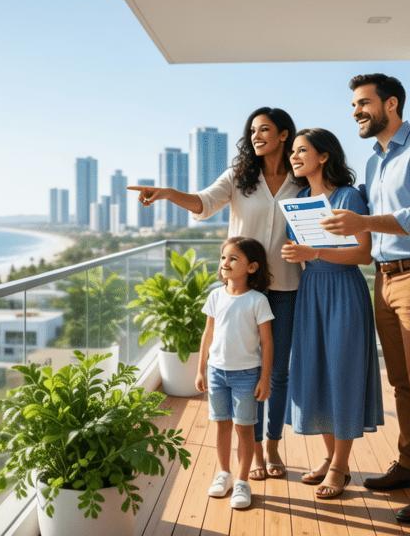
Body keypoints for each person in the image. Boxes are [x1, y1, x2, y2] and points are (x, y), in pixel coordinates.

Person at [129, 107, 300, 480]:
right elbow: (203, 204)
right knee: (248, 369)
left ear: (285, 135)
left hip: (286, 286)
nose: (256, 136)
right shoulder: (240, 177)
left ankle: (272, 445)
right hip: (243, 291)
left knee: (278, 373)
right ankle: (253, 451)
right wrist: (166, 193)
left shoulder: (300, 180)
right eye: (252, 130)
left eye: (265, 129)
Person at [320, 73, 410, 523]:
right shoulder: (375, 161)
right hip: (384, 277)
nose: (356, 111)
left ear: (391, 104)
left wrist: (365, 225)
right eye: (354, 105)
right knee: (400, 382)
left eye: (363, 103)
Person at [280, 128, 384, 499]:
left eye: (302, 150)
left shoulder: (348, 197)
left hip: (343, 291)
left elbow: (363, 254)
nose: (294, 156)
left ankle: (341, 465)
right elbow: (305, 250)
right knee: (317, 374)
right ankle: (330, 457)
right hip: (311, 293)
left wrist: (315, 254)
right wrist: (296, 254)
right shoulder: (300, 199)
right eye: (292, 151)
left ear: (324, 156)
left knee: (342, 373)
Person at [195, 236, 275, 510]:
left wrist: (265, 378)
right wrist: (201, 369)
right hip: (217, 373)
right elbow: (208, 334)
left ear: (251, 268)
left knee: (244, 429)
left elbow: (267, 343)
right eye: (223, 257)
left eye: (233, 258)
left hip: (246, 376)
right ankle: (224, 474)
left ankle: (242, 482)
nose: (225, 263)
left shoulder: (258, 301)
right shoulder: (215, 296)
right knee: (221, 425)